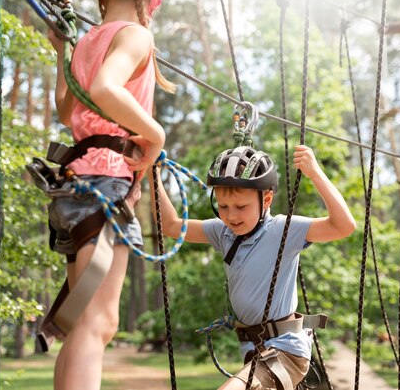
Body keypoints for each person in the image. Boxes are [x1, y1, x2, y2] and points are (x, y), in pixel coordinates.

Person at [45, 0, 178, 389]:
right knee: (97, 323)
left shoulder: (89, 40)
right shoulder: (136, 36)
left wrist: (62, 52)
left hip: (77, 183)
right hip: (105, 183)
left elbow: (69, 114)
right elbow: (104, 89)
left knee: (83, 319)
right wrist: (155, 135)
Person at [149, 144, 356, 389]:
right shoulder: (223, 233)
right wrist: (152, 175)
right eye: (223, 207)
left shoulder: (284, 229)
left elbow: (344, 226)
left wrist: (314, 173)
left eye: (241, 207)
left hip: (287, 351)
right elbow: (172, 226)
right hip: (254, 351)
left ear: (266, 199)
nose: (231, 216)